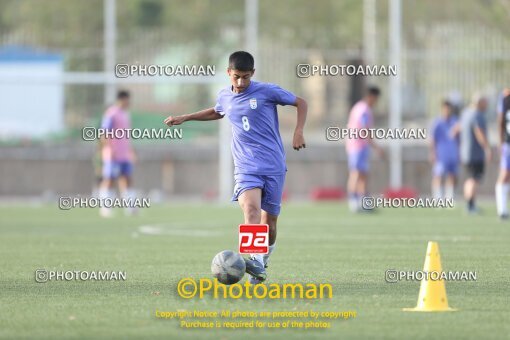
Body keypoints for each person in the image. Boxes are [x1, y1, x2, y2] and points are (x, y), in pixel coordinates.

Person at [163, 51, 307, 283]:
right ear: (228, 73)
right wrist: (186, 117)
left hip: (273, 165)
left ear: (253, 74)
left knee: (269, 224)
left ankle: (262, 260)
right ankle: (255, 260)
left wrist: (298, 130)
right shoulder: (225, 96)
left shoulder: (267, 91)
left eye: (246, 77)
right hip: (246, 166)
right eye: (236, 77)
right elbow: (217, 111)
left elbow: (301, 102)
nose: (241, 83)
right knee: (250, 210)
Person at [98, 90, 137, 217]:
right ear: (121, 100)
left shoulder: (126, 114)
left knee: (127, 179)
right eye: (127, 100)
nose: (128, 103)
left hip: (124, 154)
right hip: (113, 154)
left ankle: (131, 208)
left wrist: (130, 150)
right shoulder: (111, 113)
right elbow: (104, 133)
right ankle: (105, 207)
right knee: (110, 179)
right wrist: (110, 149)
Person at [345, 86, 384, 212]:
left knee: (363, 174)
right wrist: (376, 147)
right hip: (357, 145)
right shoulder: (363, 110)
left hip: (358, 145)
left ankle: (363, 202)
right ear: (372, 97)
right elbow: (364, 129)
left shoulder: (358, 107)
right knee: (356, 173)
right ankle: (353, 202)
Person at [460, 94, 491, 213]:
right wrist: (487, 148)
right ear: (479, 103)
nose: (487, 105)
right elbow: (479, 132)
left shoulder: (466, 113)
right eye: (485, 102)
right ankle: (470, 205)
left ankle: (469, 204)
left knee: (470, 178)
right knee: (474, 178)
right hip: (475, 153)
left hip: (465, 152)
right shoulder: (477, 114)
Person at [430, 100, 460, 201]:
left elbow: (459, 138)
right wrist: (432, 153)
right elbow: (432, 139)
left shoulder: (455, 121)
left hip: (453, 153)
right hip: (441, 154)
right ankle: (438, 198)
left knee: (452, 176)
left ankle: (449, 199)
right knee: (438, 175)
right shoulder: (437, 123)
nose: (447, 111)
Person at [495, 89, 510, 219]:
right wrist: (500, 143)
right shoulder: (505, 98)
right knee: (505, 174)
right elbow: (500, 121)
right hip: (508, 143)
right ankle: (502, 210)